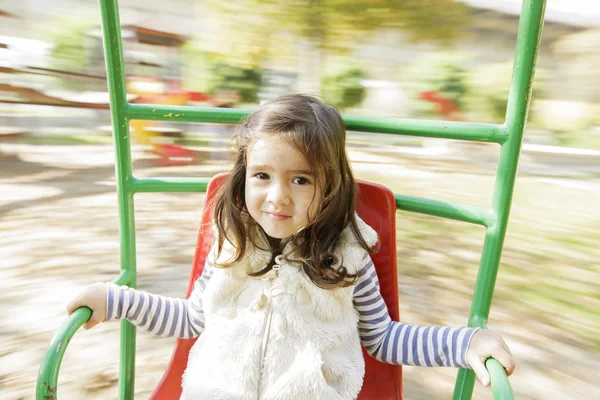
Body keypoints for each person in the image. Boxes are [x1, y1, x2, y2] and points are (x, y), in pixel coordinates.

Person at [67, 94, 514, 400]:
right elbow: (192, 316)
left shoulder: (348, 257)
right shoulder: (231, 243)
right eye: (262, 176)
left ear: (330, 188)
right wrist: (117, 300)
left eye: (300, 179)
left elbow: (384, 338)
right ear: (245, 175)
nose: (277, 196)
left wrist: (465, 344)